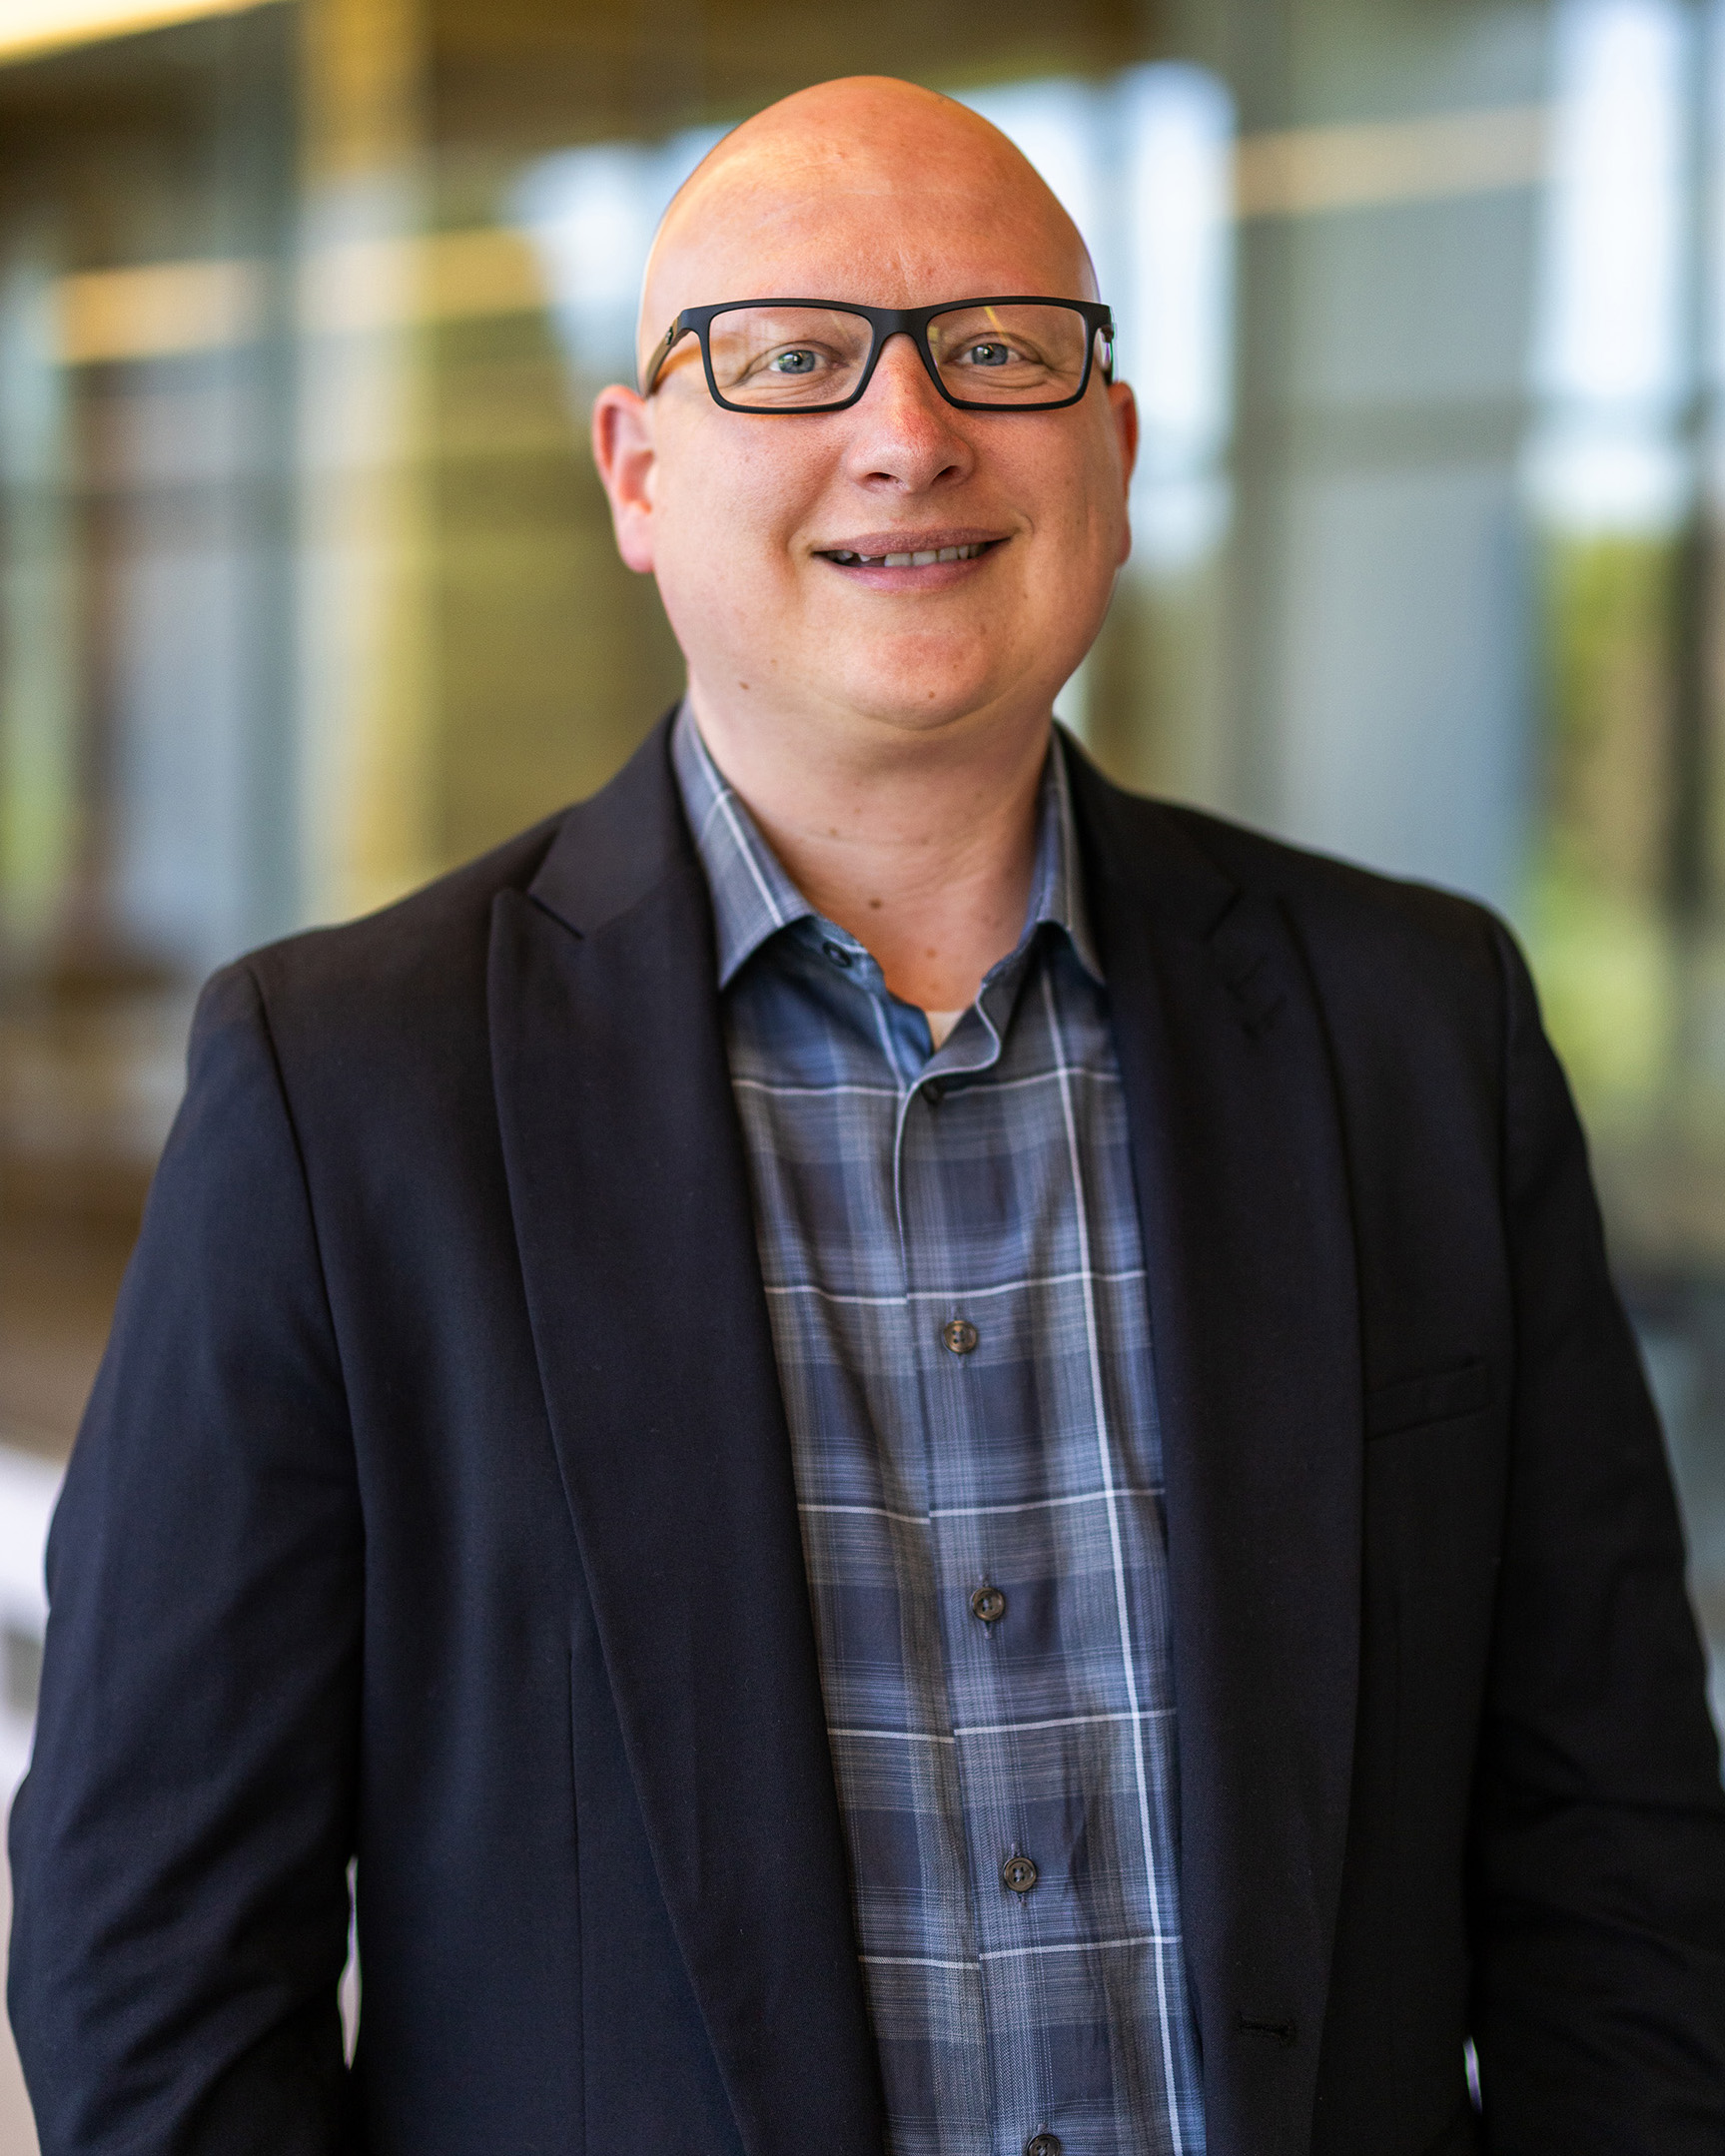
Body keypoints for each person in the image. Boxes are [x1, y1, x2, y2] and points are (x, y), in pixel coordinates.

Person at [9, 71, 1725, 2156]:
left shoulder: (1414, 1031)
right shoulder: (342, 1091)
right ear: (636, 473)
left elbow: (1618, 1863)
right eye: (794, 360)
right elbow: (152, 1967)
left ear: (1112, 449)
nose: (908, 433)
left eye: (999, 350)